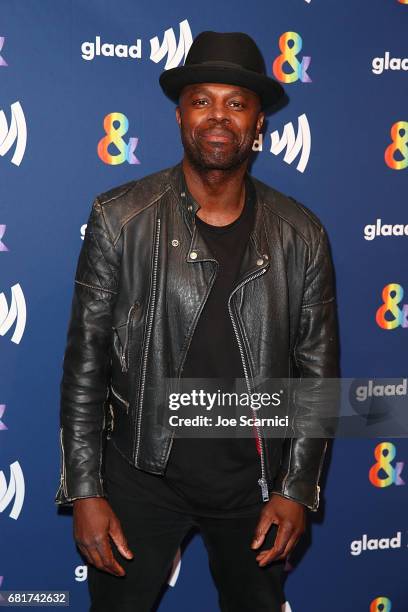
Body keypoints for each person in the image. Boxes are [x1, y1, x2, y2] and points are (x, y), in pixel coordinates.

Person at [55, 31, 339, 612]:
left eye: (236, 103)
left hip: (254, 487)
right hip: (140, 475)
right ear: (181, 113)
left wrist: (296, 490)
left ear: (259, 122)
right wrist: (85, 489)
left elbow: (317, 375)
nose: (218, 117)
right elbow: (86, 363)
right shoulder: (119, 219)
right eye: (202, 100)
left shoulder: (301, 235)